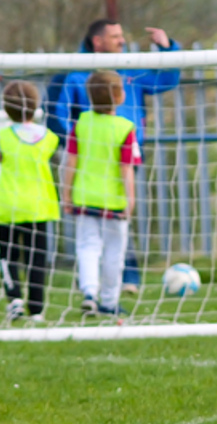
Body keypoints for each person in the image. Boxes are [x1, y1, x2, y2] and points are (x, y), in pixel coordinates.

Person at [47, 19, 179, 291]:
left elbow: (166, 81)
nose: (122, 41)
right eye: (115, 36)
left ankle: (120, 281)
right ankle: (93, 285)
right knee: (91, 231)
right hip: (89, 162)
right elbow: (56, 115)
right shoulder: (74, 74)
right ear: (98, 42)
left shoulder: (131, 69)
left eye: (122, 35)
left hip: (124, 156)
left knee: (117, 225)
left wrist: (168, 49)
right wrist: (78, 143)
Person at [60, 71, 142, 317]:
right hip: (114, 201)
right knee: (114, 253)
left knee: (87, 247)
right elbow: (126, 168)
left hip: (85, 198)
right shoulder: (125, 128)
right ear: (119, 97)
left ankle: (89, 293)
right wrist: (130, 200)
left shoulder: (81, 123)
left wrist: (66, 195)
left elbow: (71, 161)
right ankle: (109, 301)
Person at [0, 80, 61, 323]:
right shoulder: (49, 137)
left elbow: (0, 157)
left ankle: (14, 301)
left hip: (9, 204)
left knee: (8, 256)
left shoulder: (2, 136)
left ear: (6, 108)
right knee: (37, 259)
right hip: (39, 205)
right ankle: (37, 308)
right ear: (35, 106)